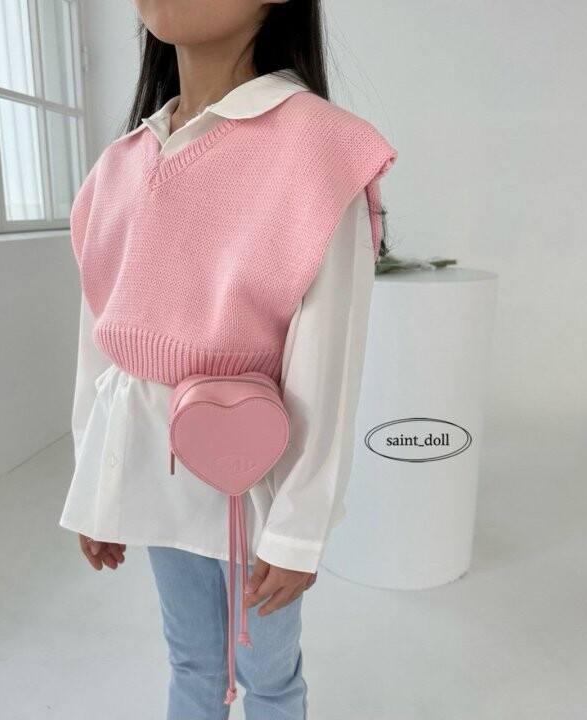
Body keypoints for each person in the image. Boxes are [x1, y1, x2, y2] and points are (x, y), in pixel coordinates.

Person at [58, 1, 397, 718]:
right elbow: (100, 347)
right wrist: (96, 483)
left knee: (268, 677)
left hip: (253, 473)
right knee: (191, 662)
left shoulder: (318, 149)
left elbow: (328, 364)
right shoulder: (118, 165)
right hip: (149, 465)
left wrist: (300, 527)